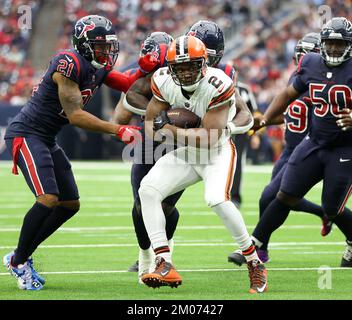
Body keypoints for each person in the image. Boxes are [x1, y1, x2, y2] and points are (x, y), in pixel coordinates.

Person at [2, 15, 159, 291]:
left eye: (108, 45)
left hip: (46, 137)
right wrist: (118, 130)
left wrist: (148, 68)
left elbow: (126, 82)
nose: (106, 51)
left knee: (69, 204)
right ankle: (19, 261)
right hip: (27, 133)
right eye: (100, 46)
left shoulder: (97, 66)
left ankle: (19, 256)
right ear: (84, 45)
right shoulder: (68, 63)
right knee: (48, 198)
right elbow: (75, 116)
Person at [138, 35, 268, 293]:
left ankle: (254, 261)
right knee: (147, 190)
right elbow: (151, 126)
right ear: (171, 68)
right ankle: (163, 260)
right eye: (180, 67)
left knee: (216, 199)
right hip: (189, 150)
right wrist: (168, 129)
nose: (185, 73)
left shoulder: (218, 84)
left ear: (204, 63)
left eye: (191, 65)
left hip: (217, 151)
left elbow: (209, 138)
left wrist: (172, 130)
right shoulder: (162, 79)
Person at [228, 17, 352, 268]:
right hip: (314, 142)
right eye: (330, 44)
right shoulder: (311, 62)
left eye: (340, 45)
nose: (334, 49)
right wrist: (264, 119)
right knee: (284, 194)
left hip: (344, 147)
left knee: (332, 208)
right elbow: (287, 93)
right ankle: (256, 245)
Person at [113, 32, 180, 282]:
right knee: (141, 206)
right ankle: (145, 254)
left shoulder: (190, 72)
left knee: (165, 206)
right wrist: (156, 113)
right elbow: (119, 118)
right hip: (148, 141)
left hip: (180, 143)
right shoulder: (140, 78)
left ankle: (163, 253)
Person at [187, 20, 258, 208]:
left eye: (204, 54)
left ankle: (234, 196)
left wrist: (230, 128)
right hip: (185, 131)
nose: (198, 58)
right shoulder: (176, 68)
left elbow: (247, 113)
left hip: (219, 129)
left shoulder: (225, 73)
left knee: (223, 184)